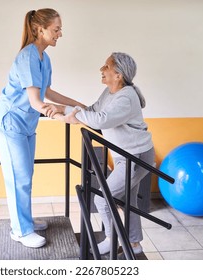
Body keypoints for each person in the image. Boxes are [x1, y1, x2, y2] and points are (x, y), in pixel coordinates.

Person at [0, 8, 85, 249]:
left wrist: (78, 105)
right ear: (40, 29)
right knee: (18, 177)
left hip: (26, 122)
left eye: (60, 29)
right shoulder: (28, 57)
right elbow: (36, 101)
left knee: (25, 176)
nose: (60, 34)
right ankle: (20, 231)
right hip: (11, 122)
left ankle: (25, 221)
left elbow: (47, 92)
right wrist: (63, 118)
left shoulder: (44, 58)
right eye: (56, 29)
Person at [64, 52, 155, 255]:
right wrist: (63, 108)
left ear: (118, 75)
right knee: (128, 200)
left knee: (102, 199)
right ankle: (134, 243)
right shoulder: (110, 93)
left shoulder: (127, 97)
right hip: (127, 155)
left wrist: (74, 115)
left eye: (106, 66)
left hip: (136, 158)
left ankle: (111, 239)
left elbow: (101, 120)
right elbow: (93, 110)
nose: (101, 69)